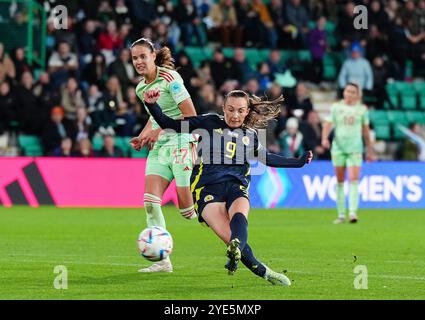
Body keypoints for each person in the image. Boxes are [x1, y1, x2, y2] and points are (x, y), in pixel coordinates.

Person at [143, 88, 313, 286]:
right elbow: (169, 124)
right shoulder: (208, 123)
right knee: (230, 237)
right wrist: (152, 105)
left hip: (235, 185)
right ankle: (263, 270)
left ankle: (237, 249)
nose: (235, 115)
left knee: (240, 217)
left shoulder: (250, 135)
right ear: (223, 108)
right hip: (207, 189)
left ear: (247, 111)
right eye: (231, 109)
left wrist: (298, 162)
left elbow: (267, 158)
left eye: (241, 111)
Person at [129, 38, 198, 273]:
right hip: (160, 147)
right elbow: (153, 116)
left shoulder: (171, 79)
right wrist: (143, 136)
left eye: (142, 56)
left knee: (187, 213)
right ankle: (163, 261)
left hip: (181, 140)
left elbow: (191, 115)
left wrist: (159, 130)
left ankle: (209, 198)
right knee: (150, 202)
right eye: (134, 58)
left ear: (153, 57)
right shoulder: (141, 88)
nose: (138, 61)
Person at [321, 82, 375, 224]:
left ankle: (352, 213)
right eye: (348, 91)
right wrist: (324, 138)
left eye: (353, 92)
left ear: (357, 95)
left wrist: (369, 149)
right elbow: (327, 124)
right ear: (344, 92)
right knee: (340, 181)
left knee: (353, 179)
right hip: (338, 148)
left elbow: (365, 131)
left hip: (355, 149)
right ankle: (340, 214)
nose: (350, 93)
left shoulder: (362, 109)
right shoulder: (336, 107)